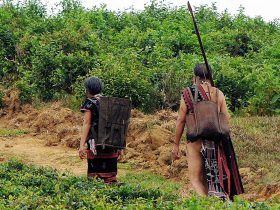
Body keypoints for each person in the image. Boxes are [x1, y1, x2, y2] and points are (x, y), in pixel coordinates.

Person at [172, 63, 244, 200]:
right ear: (211, 76)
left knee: (196, 179)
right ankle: (214, 202)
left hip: (195, 140)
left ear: (195, 77)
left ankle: (206, 204)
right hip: (214, 142)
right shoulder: (218, 93)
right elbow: (226, 118)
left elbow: (181, 120)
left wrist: (175, 145)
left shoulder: (188, 93)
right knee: (208, 178)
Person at [79, 76, 120, 184]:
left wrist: (81, 145)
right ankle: (110, 181)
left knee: (95, 174)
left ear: (87, 89)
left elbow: (87, 124)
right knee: (109, 166)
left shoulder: (89, 103)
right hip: (110, 140)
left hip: (95, 140)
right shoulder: (108, 101)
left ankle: (97, 183)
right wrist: (119, 145)